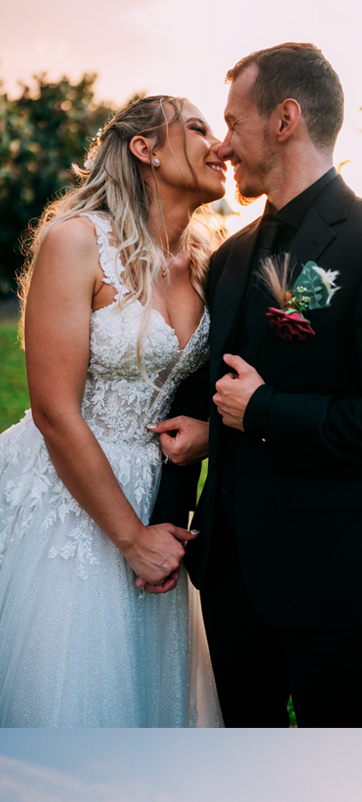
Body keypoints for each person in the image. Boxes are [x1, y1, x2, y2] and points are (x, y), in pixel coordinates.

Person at [150, 43, 362, 728]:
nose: (223, 146)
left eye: (234, 122)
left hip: (335, 583)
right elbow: (194, 402)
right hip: (228, 581)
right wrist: (168, 517)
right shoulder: (226, 259)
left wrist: (264, 411)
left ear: (285, 119)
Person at [0, 96, 223, 727]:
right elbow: (52, 410)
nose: (220, 145)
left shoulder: (211, 262)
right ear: (145, 149)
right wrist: (131, 537)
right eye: (199, 128)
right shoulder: (75, 242)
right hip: (69, 491)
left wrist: (210, 434)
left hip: (161, 493)